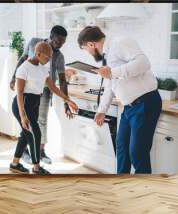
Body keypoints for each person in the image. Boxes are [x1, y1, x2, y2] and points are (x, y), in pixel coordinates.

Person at [77, 26, 162, 174]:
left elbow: (143, 63)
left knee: (138, 154)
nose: (88, 53)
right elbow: (110, 85)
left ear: (91, 44)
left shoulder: (120, 42)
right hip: (129, 108)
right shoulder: (107, 56)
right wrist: (102, 110)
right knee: (122, 150)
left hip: (145, 103)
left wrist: (112, 72)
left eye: (86, 49)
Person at [10, 42, 78, 174]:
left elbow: (52, 87)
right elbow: (19, 93)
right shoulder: (23, 68)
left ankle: (14, 164)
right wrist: (22, 115)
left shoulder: (42, 68)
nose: (49, 60)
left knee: (25, 135)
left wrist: (68, 100)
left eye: (50, 57)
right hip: (23, 104)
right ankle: (36, 168)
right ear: (38, 54)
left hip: (35, 104)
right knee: (35, 134)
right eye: (47, 57)